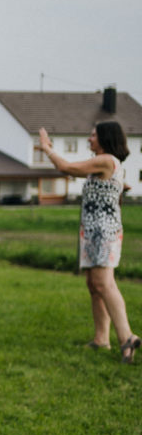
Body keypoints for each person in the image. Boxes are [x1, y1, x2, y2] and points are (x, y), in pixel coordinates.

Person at [39, 122, 140, 363]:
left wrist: (47, 148)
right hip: (94, 231)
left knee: (104, 284)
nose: (89, 139)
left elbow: (67, 167)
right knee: (94, 285)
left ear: (105, 138)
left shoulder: (106, 160)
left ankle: (127, 337)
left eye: (93, 135)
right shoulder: (108, 164)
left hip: (104, 232)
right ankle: (100, 339)